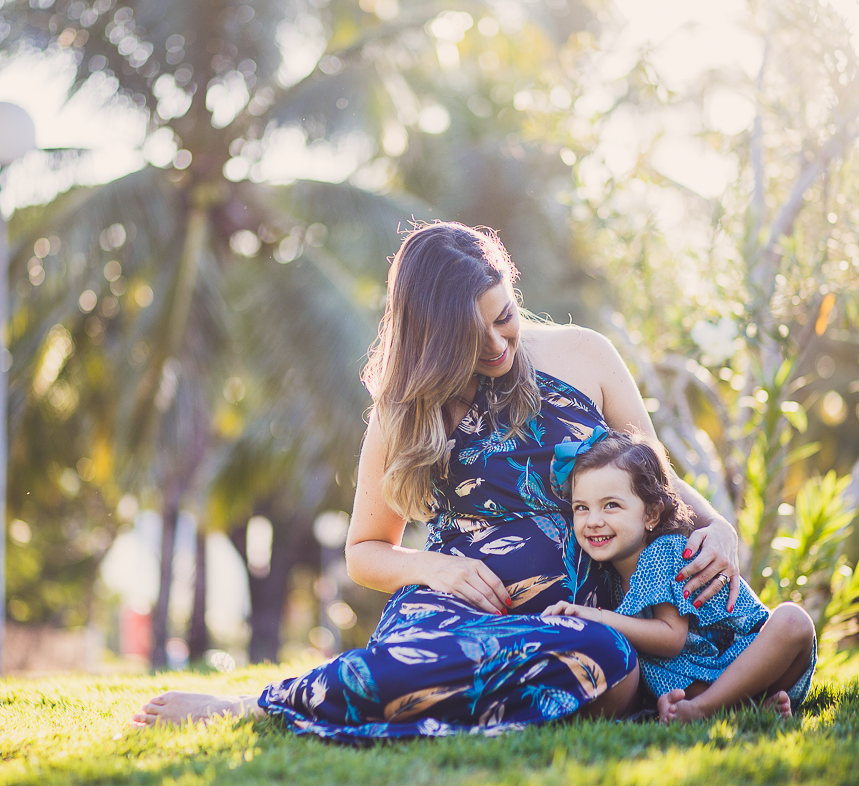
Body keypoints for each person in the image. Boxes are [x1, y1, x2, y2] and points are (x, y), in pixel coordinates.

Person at [133, 222, 741, 739]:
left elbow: (656, 476)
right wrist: (436, 570)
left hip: (574, 625)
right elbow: (364, 552)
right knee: (423, 656)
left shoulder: (585, 354)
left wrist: (720, 529)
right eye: (471, 340)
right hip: (447, 611)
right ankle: (259, 705)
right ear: (433, 337)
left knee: (605, 654)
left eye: (504, 318)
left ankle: (406, 700)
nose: (499, 344)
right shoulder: (406, 404)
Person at [542, 429, 817, 723]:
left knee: (792, 619)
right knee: (661, 664)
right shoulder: (608, 572)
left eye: (611, 505)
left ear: (651, 514)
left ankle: (699, 710)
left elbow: (672, 637)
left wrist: (596, 617)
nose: (594, 521)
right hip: (705, 673)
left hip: (753, 657)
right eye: (581, 508)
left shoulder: (662, 552)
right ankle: (741, 709)